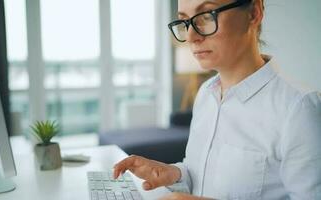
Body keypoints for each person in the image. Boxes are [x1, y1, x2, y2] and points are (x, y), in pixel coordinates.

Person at [113, 0, 321, 199]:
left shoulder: (300, 107)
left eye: (205, 15)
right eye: (185, 21)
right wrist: (173, 173)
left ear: (253, 13)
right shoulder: (205, 93)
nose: (191, 36)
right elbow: (201, 177)